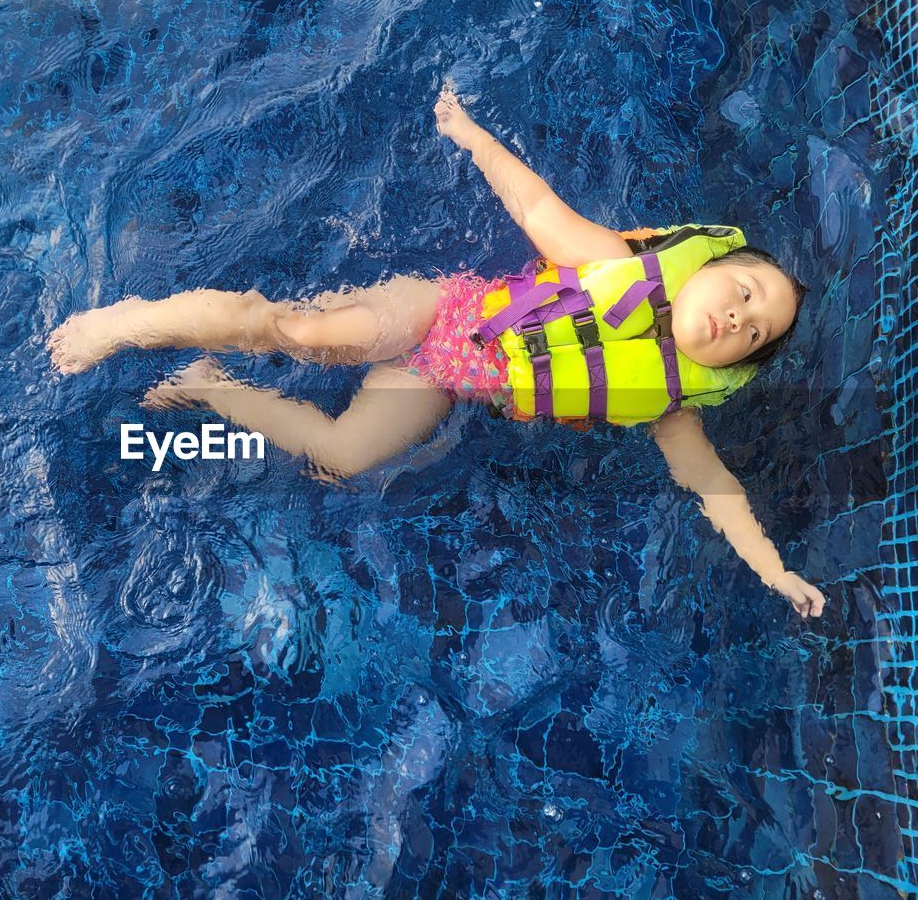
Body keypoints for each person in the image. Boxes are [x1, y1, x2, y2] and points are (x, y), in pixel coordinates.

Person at [46, 87, 826, 618]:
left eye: (756, 333)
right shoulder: (612, 265)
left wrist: (772, 570)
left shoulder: (674, 402)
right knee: (299, 333)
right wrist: (470, 132)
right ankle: (130, 323)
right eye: (747, 292)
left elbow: (713, 485)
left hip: (447, 382)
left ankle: (210, 386)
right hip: (438, 312)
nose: (739, 319)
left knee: (341, 458)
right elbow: (533, 203)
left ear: (735, 366)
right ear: (704, 265)